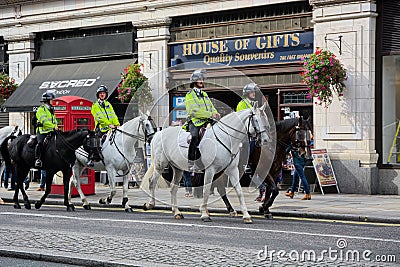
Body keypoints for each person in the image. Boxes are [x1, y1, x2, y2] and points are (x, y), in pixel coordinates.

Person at [184, 70, 219, 173]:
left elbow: (211, 106)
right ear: (194, 81)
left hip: (207, 121)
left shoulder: (204, 94)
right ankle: (191, 163)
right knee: (195, 137)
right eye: (199, 79)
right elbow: (193, 111)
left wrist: (216, 113)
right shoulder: (189, 95)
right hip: (195, 122)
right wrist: (209, 114)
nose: (201, 81)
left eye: (202, 79)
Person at [89, 85, 120, 166]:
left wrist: (117, 124)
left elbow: (113, 115)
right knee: (96, 141)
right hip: (101, 128)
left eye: (104, 93)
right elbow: (100, 118)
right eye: (101, 93)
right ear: (98, 95)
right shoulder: (95, 105)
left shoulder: (108, 104)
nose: (102, 95)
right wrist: (109, 124)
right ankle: (92, 157)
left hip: (111, 128)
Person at [35, 90, 58, 168]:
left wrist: (56, 125)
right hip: (42, 131)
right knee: (40, 143)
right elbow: (44, 121)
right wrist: (53, 126)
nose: (53, 101)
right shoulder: (41, 110)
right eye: (52, 100)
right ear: (47, 100)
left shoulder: (51, 109)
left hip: (51, 131)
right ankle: (37, 159)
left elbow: (54, 119)